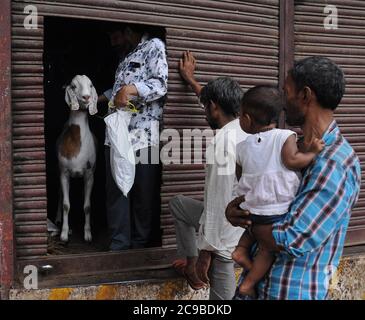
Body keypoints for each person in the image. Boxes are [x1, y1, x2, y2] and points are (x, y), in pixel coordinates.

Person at [226, 56, 361, 300]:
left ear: (305, 95)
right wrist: (237, 213)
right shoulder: (288, 149)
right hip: (260, 287)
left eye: (286, 92)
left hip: (290, 292)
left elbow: (292, 237)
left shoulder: (335, 162)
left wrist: (253, 222)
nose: (282, 101)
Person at [169, 51, 249, 300]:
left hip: (226, 239)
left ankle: (195, 266)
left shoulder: (222, 143)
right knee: (179, 204)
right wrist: (192, 81)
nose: (204, 112)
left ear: (214, 106)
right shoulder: (245, 128)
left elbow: (219, 202)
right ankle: (189, 258)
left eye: (206, 107)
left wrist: (206, 253)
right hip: (240, 226)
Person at [232, 85, 324, 299]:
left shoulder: (242, 146)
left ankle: (240, 251)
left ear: (246, 118)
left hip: (251, 211)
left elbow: (240, 176)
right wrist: (312, 152)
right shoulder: (284, 136)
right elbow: (293, 161)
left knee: (252, 232)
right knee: (267, 249)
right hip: (275, 213)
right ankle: (249, 284)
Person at [100, 24, 168, 251]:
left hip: (144, 135)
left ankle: (140, 246)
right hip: (117, 135)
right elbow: (119, 89)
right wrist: (100, 98)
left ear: (129, 30)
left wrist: (132, 89)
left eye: (115, 33)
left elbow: (160, 84)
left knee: (143, 192)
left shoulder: (154, 46)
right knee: (116, 190)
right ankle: (119, 245)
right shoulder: (125, 56)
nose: (112, 39)